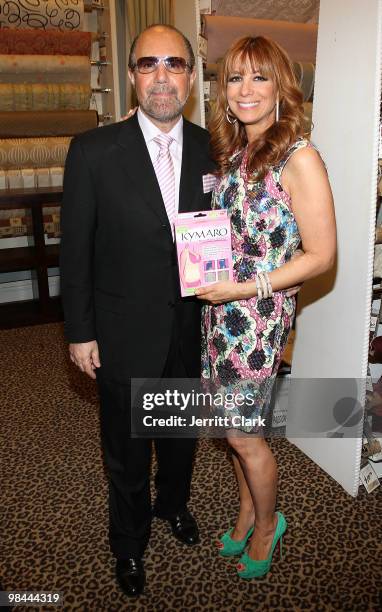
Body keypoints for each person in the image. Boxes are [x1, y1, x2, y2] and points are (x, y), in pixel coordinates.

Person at [59, 24, 217, 598]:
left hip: (192, 329)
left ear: (191, 77)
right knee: (127, 453)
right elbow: (74, 250)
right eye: (148, 64)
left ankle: (172, 506)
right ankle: (128, 543)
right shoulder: (93, 151)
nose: (161, 76)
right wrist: (80, 331)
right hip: (123, 331)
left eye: (174, 64)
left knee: (180, 438)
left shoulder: (212, 147)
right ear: (131, 77)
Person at [196, 36, 336, 580]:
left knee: (243, 435)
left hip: (256, 318)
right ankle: (245, 510)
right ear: (223, 90)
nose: (246, 89)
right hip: (218, 313)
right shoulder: (234, 154)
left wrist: (246, 288)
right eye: (235, 77)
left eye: (259, 77)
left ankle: (267, 524)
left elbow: (322, 255)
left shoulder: (299, 157)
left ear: (281, 86)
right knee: (232, 429)